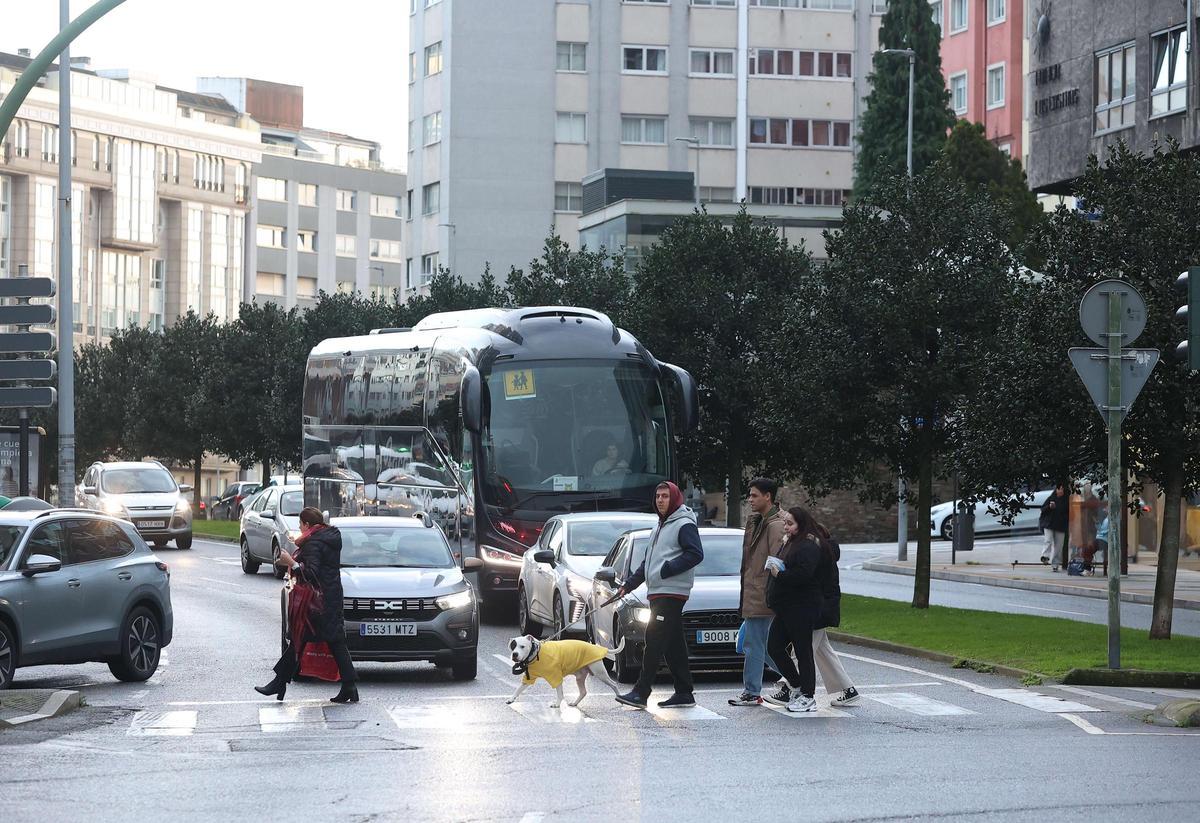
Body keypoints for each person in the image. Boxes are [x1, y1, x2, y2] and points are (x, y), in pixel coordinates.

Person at [614, 481, 704, 710]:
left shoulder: (683, 524)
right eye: (657, 496)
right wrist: (629, 585)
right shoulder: (660, 525)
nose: (660, 500)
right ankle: (684, 692)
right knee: (674, 644)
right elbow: (648, 563)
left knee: (653, 639)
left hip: (671, 592)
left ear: (674, 499)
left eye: (665, 496)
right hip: (659, 592)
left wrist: (667, 569)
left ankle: (641, 691)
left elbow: (696, 554)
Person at [255, 507, 359, 704]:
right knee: (334, 642)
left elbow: (310, 573)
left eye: (301, 524)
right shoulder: (329, 538)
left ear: (308, 525)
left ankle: (279, 683)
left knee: (300, 639)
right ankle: (349, 687)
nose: (300, 529)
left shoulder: (314, 543)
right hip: (331, 597)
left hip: (317, 603)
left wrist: (291, 562)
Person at [728, 478, 786, 707]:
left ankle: (752, 692)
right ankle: (795, 680)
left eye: (754, 495)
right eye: (749, 495)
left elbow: (778, 563)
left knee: (753, 643)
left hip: (764, 595)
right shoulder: (757, 522)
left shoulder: (775, 525)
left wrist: (771, 593)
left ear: (767, 497)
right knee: (751, 642)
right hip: (753, 593)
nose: (750, 500)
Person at [764, 506, 827, 713]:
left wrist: (778, 574)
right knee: (773, 646)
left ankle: (808, 696)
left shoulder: (808, 545)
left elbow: (803, 575)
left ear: (802, 524)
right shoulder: (791, 542)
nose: (786, 527)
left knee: (803, 651)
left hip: (802, 605)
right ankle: (797, 685)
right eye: (785, 523)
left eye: (790, 524)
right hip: (786, 605)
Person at [809, 521, 859, 706]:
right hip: (821, 608)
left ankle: (789, 687)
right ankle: (848, 689)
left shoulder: (821, 555)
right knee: (823, 651)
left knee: (803, 650)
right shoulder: (825, 553)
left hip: (818, 609)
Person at [1039, 483, 1070, 571]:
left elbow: (1069, 513)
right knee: (1048, 540)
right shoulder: (1051, 498)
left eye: (1062, 489)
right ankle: (1045, 556)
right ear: (1056, 490)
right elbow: (1043, 509)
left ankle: (1055, 564)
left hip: (1060, 525)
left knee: (1058, 546)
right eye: (1059, 489)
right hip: (1049, 524)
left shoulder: (1066, 501)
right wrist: (1049, 507)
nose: (1060, 491)